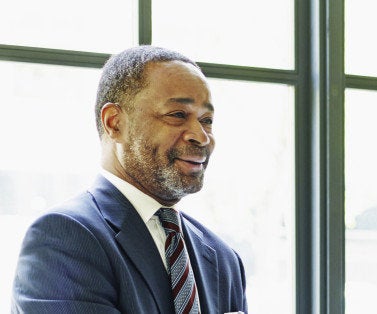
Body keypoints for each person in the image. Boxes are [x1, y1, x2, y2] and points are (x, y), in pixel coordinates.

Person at [12, 46, 247, 314]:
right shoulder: (65, 239)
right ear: (114, 123)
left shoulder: (223, 259)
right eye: (177, 115)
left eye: (207, 120)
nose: (201, 136)